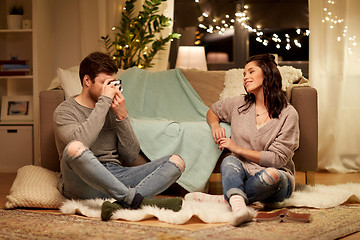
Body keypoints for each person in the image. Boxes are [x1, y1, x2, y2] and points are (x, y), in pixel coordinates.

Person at [54, 52, 186, 220]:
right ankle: (135, 200)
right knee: (74, 147)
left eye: (113, 83)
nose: (110, 89)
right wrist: (104, 103)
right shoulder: (65, 111)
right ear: (87, 81)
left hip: (115, 175)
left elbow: (130, 155)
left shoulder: (113, 109)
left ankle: (119, 204)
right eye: (104, 83)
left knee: (176, 162)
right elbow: (83, 142)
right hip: (81, 181)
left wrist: (122, 116)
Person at [185, 53, 299, 226]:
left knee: (272, 175)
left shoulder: (288, 114)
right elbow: (213, 110)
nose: (246, 77)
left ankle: (228, 198)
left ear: (267, 73)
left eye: (251, 72)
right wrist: (216, 126)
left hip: (276, 177)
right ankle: (239, 205)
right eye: (244, 74)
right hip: (242, 172)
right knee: (229, 161)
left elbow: (277, 159)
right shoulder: (238, 104)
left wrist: (236, 148)